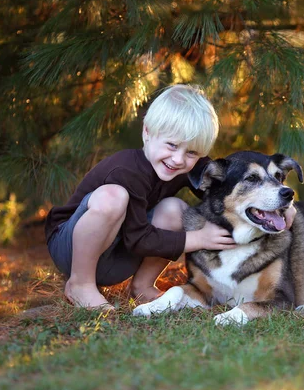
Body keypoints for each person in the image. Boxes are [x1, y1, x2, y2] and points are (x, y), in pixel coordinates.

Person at [44, 84, 238, 310]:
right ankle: (80, 283)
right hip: (72, 248)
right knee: (112, 197)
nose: (178, 159)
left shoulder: (187, 165)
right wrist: (199, 238)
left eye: (192, 152)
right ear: (147, 132)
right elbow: (138, 238)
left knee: (175, 210)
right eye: (172, 145)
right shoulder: (126, 170)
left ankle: (142, 287)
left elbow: (226, 191)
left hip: (119, 257)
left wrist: (273, 206)